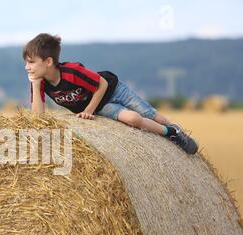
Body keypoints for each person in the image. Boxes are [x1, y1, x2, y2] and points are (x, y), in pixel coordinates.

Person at [23, 33, 198, 155]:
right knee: (134, 120)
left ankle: (178, 131)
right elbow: (38, 116)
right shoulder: (39, 82)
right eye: (26, 63)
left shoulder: (72, 72)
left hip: (112, 90)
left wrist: (89, 110)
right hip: (101, 106)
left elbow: (102, 83)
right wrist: (36, 85)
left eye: (31, 62)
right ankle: (169, 132)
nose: (27, 67)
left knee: (150, 114)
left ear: (48, 62)